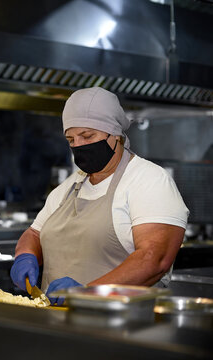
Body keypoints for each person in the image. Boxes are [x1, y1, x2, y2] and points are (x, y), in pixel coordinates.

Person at [11, 87, 189, 305]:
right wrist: (25, 255)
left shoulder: (149, 180)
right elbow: (35, 234)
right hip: (57, 323)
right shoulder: (69, 186)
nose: (79, 145)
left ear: (114, 134)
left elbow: (154, 260)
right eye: (71, 140)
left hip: (122, 324)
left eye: (87, 136)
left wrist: (88, 292)